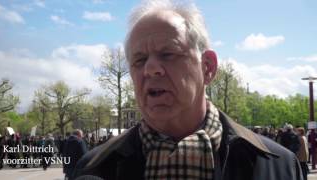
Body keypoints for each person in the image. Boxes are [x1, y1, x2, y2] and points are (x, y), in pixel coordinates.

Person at [73, 1, 303, 180]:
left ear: (208, 67)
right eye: (139, 60)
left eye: (168, 54)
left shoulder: (278, 164)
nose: (151, 68)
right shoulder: (91, 168)